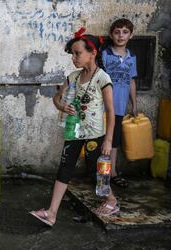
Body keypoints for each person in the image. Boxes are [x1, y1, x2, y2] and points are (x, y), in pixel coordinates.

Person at [29, 28, 116, 226]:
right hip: (74, 131)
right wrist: (62, 105)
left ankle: (111, 199)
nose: (74, 57)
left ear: (92, 53)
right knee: (65, 167)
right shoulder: (73, 77)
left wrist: (109, 140)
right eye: (73, 54)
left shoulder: (103, 78)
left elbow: (111, 111)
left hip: (95, 134)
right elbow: (57, 98)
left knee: (97, 169)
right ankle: (51, 213)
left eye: (78, 53)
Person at [102, 18, 137, 188]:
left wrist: (134, 104)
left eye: (125, 32)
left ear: (130, 35)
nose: (120, 35)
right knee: (101, 138)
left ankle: (112, 172)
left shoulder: (131, 57)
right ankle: (98, 171)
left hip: (120, 106)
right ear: (111, 34)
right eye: (117, 32)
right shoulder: (105, 54)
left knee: (114, 140)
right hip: (103, 106)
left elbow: (131, 81)